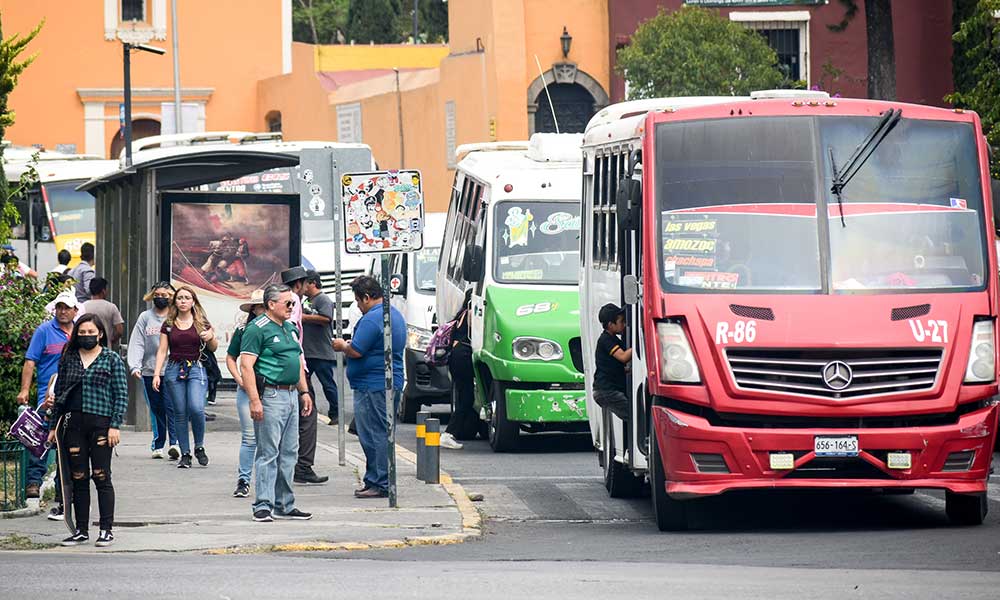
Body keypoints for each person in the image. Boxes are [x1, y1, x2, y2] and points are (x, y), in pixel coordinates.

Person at [47, 314, 128, 547]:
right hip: (72, 424)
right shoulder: (69, 358)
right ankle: (81, 530)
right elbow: (59, 395)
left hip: (101, 425)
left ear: (100, 333)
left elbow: (121, 394)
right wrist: (53, 427)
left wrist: (115, 425)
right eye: (81, 333)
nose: (86, 336)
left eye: (90, 332)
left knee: (101, 476)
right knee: (78, 477)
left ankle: (106, 529)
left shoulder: (111, 359)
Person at [240, 284, 314, 522]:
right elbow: (246, 366)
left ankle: (284, 503)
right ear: (271, 304)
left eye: (293, 303)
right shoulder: (257, 328)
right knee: (268, 452)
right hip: (271, 394)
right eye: (288, 303)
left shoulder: (290, 328)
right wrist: (254, 400)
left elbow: (297, 360)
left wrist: (304, 391)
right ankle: (263, 503)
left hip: (292, 393)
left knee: (289, 452)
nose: (292, 308)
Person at [331, 276, 405, 499]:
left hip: (374, 386)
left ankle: (379, 482)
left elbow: (357, 350)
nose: (358, 306)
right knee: (379, 433)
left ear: (366, 297)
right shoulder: (391, 313)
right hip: (382, 383)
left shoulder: (373, 318)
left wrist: (342, 345)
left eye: (358, 301)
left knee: (373, 435)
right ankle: (377, 479)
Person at [16, 290, 78, 516]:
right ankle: (34, 483)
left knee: (67, 443)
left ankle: (63, 492)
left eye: (67, 308)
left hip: (73, 396)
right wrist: (25, 390)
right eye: (59, 307)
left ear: (75, 310)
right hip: (48, 397)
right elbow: (30, 361)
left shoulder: (81, 332)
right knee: (41, 440)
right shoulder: (44, 331)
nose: (62, 311)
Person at [152, 285, 218, 469]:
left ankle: (199, 446)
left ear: (193, 301)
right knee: (179, 412)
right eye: (180, 298)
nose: (183, 301)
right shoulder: (169, 324)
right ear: (175, 301)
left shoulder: (201, 322)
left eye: (187, 298)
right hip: (174, 368)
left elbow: (213, 347)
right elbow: (162, 350)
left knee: (196, 408)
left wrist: (210, 336)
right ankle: (185, 453)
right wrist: (157, 373)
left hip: (196, 367)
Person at [126, 282, 179, 460]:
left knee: (172, 407)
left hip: (172, 370)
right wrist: (135, 365)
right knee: (156, 408)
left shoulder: (175, 316)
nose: (161, 298)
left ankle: (175, 443)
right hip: (149, 370)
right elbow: (138, 341)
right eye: (158, 294)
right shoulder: (145, 317)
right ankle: (158, 444)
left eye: (165, 295)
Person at [295, 270, 334, 485]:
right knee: (306, 417)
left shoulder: (320, 300)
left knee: (327, 385)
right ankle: (301, 466)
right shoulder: (295, 303)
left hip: (315, 355)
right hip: (299, 366)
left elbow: (327, 319)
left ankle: (335, 410)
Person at [225, 289, 266, 498]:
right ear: (253, 309)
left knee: (269, 439)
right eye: (259, 306)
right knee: (249, 437)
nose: (263, 310)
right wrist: (239, 379)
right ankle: (244, 480)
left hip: (271, 388)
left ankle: (267, 482)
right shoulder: (244, 329)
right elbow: (231, 357)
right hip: (247, 388)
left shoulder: (281, 328)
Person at [441, 288, 478, 449]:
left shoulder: (461, 315)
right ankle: (449, 434)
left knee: (464, 396)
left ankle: (459, 430)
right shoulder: (471, 315)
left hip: (456, 358)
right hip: (463, 357)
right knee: (466, 398)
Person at [593, 303, 631, 422]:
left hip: (609, 390)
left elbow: (612, 365)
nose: (624, 325)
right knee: (635, 417)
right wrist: (640, 343)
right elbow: (623, 357)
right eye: (621, 321)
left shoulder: (613, 339)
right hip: (607, 391)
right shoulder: (606, 340)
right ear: (610, 324)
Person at [83, 277, 124, 346]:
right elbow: (119, 330)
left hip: (86, 347)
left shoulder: (83, 306)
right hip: (105, 347)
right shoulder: (111, 307)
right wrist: (111, 340)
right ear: (103, 291)